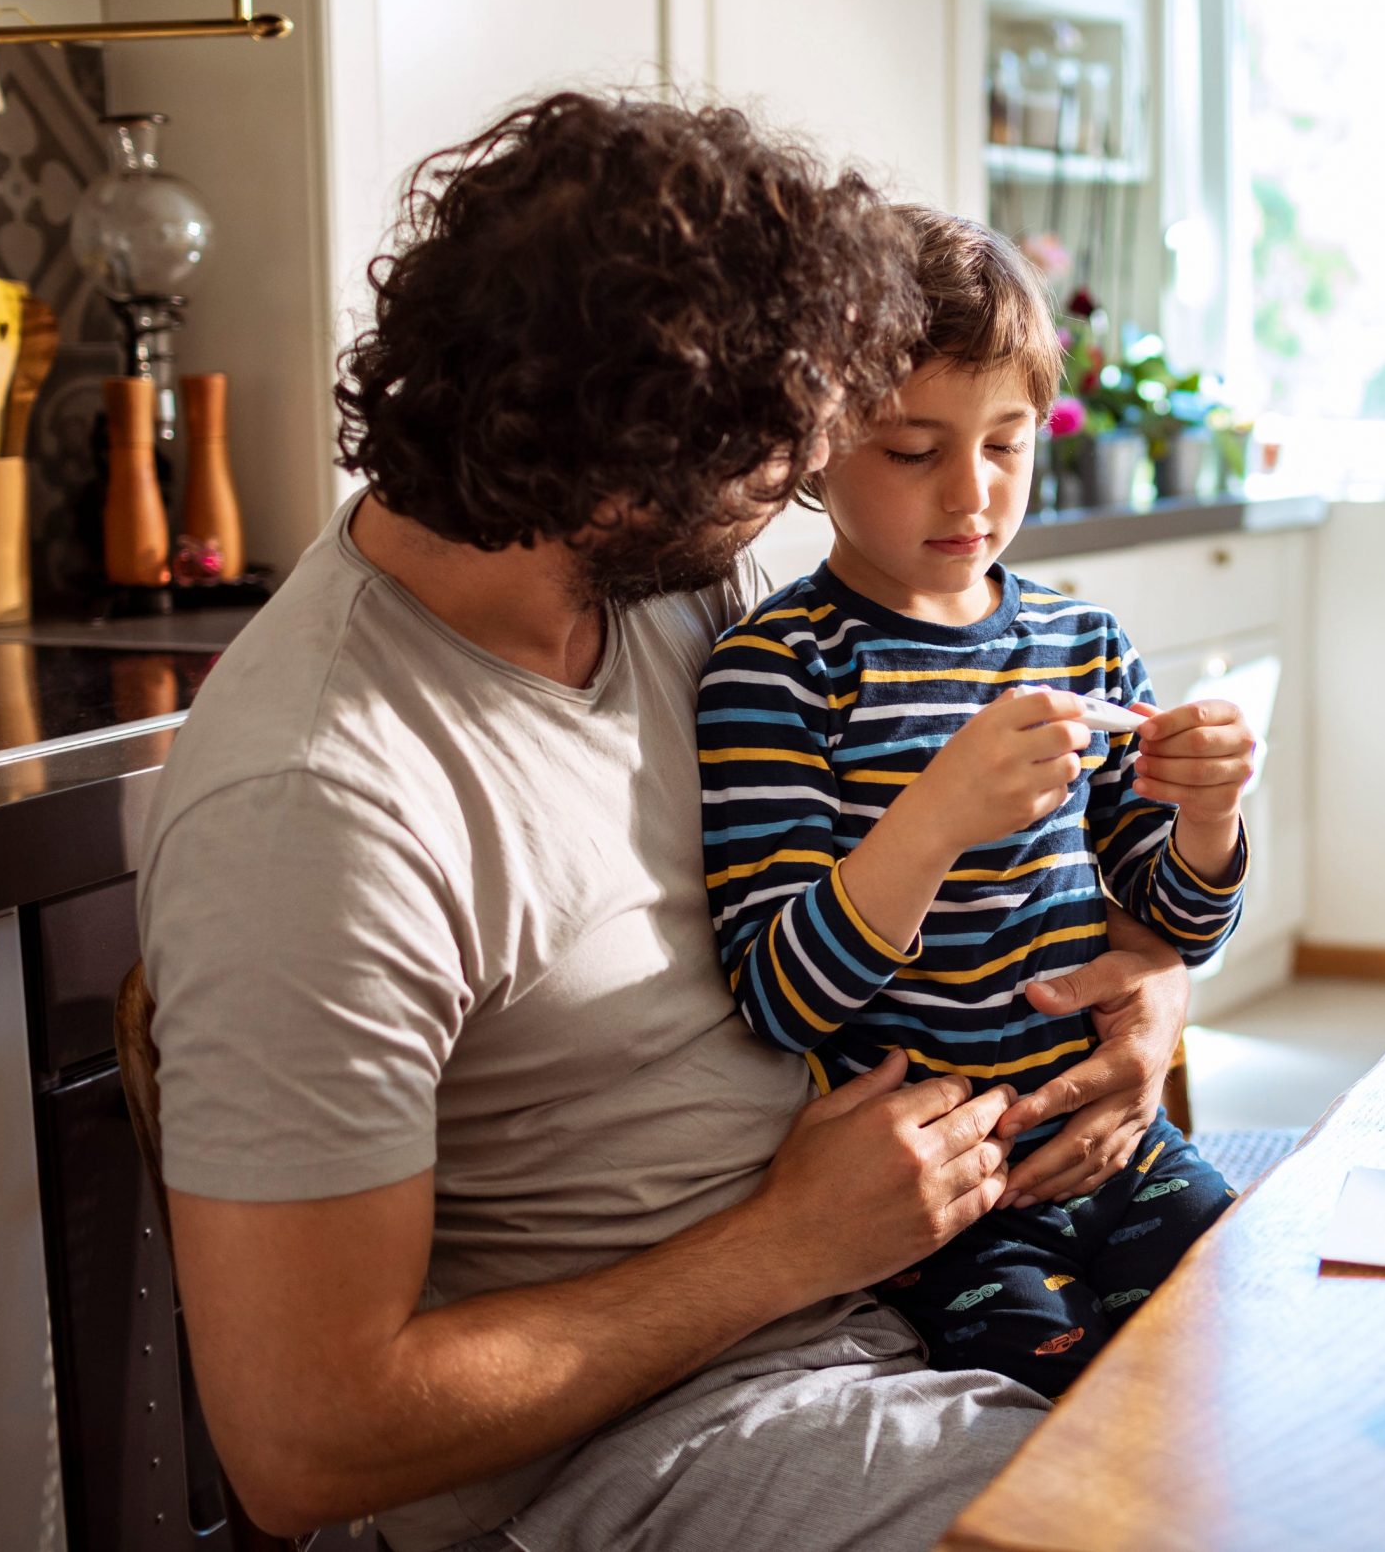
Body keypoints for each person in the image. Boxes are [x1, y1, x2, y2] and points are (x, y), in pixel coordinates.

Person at [136, 95, 1192, 1552]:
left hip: (901, 1282)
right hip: (652, 1440)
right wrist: (786, 1244)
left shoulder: (673, 591)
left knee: (1302, 1396)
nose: (807, 478)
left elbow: (934, 863)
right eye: (790, 451)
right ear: (628, 470)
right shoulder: (320, 804)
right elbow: (307, 1438)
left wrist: (1150, 981)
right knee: (1170, 1508)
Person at [698, 206, 1254, 1398]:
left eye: (1006, 443)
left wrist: (1206, 820)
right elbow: (779, 995)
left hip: (1116, 1146)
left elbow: (1173, 922)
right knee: (1049, 1412)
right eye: (913, 449)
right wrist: (937, 815)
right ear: (817, 445)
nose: (971, 492)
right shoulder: (779, 672)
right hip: (945, 1195)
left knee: (1240, 1336)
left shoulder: (1081, 642)